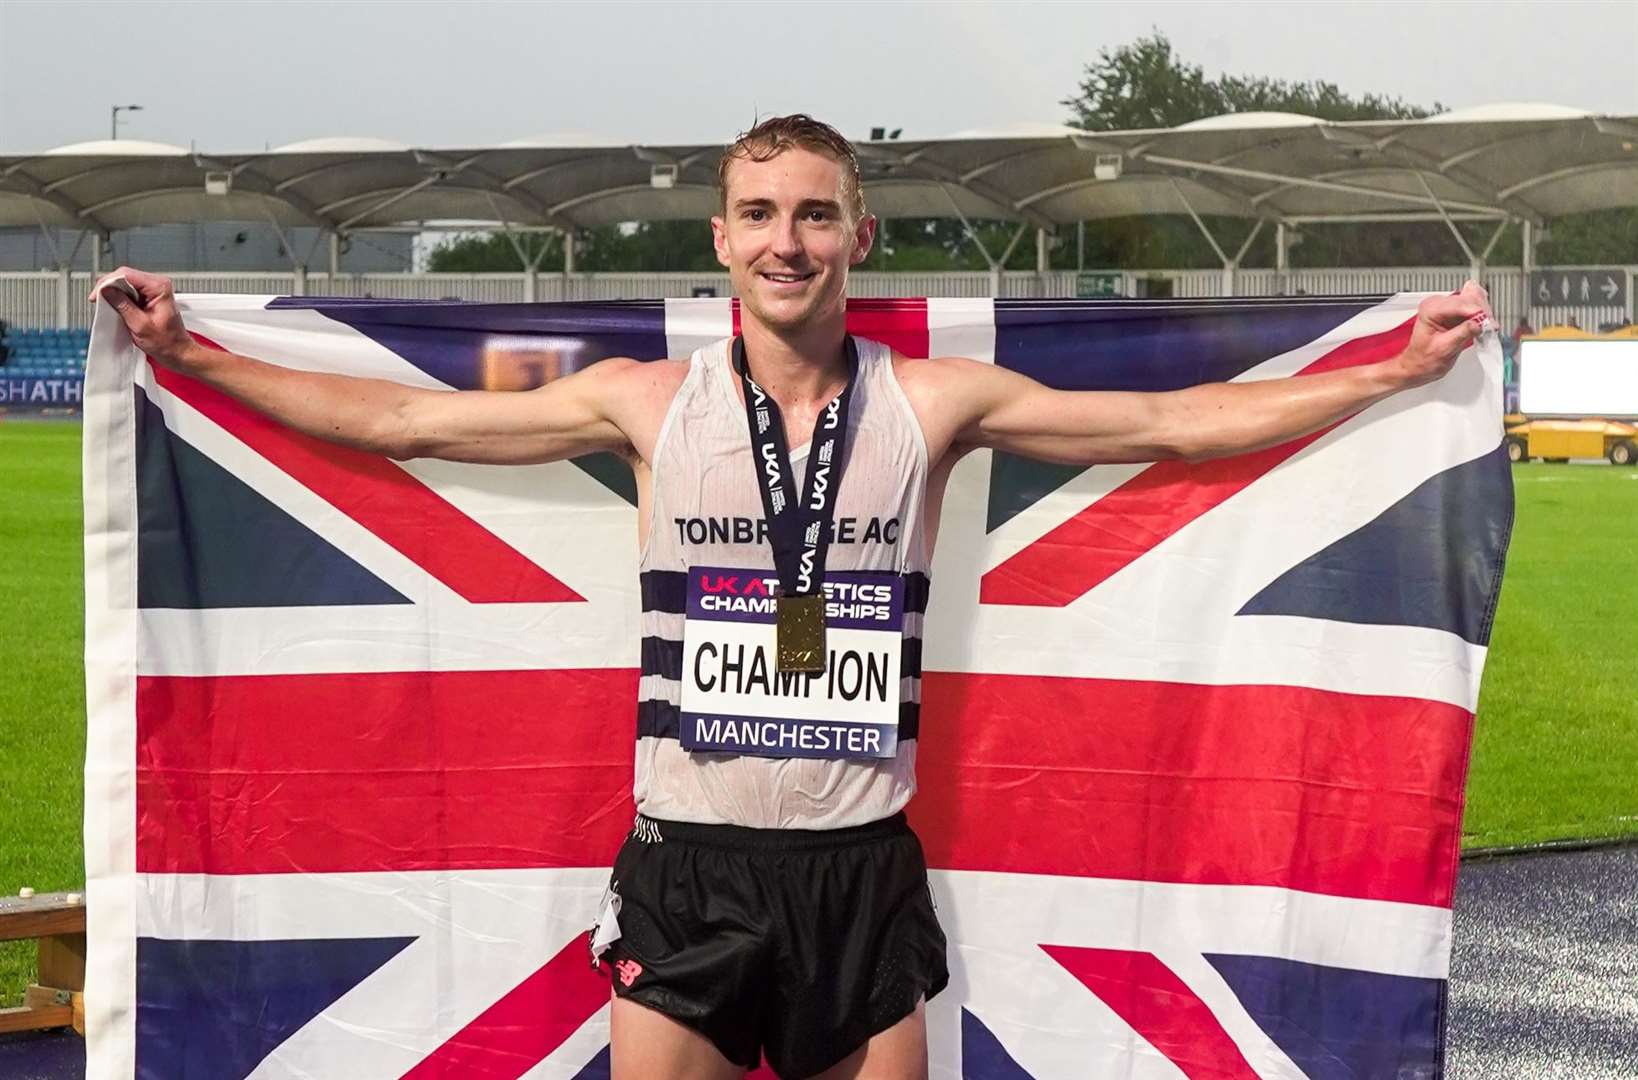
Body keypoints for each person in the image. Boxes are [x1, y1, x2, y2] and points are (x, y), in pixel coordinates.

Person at [97, 114, 1490, 1080]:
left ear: (856, 235)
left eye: (814, 213)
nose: (787, 239)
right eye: (760, 213)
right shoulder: (641, 404)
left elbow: (1174, 423)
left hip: (860, 873)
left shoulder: (937, 403)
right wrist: (195, 353)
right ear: (720, 238)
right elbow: (399, 426)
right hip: (689, 874)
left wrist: (1382, 373)